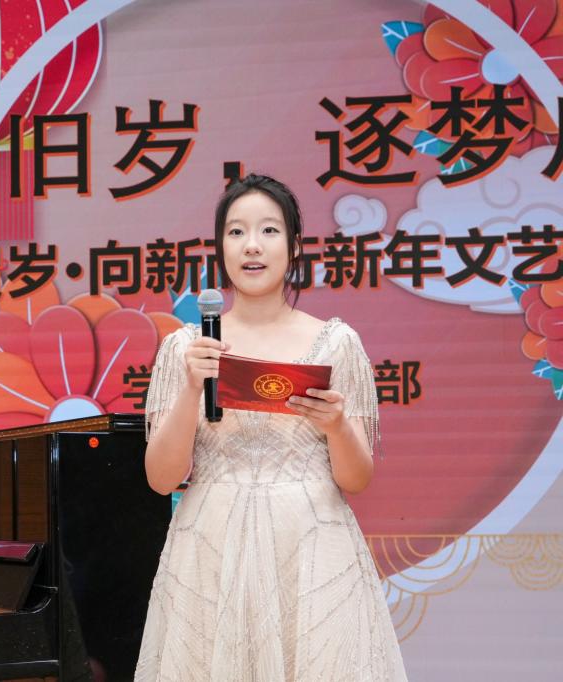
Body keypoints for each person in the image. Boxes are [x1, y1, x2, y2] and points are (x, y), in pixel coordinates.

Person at [134, 174, 407, 681]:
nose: (252, 245)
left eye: (269, 230)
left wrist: (338, 425)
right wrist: (192, 388)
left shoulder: (336, 344)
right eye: (236, 232)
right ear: (221, 248)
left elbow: (356, 479)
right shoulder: (186, 348)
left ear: (294, 245)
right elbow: (162, 478)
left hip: (311, 549)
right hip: (211, 548)